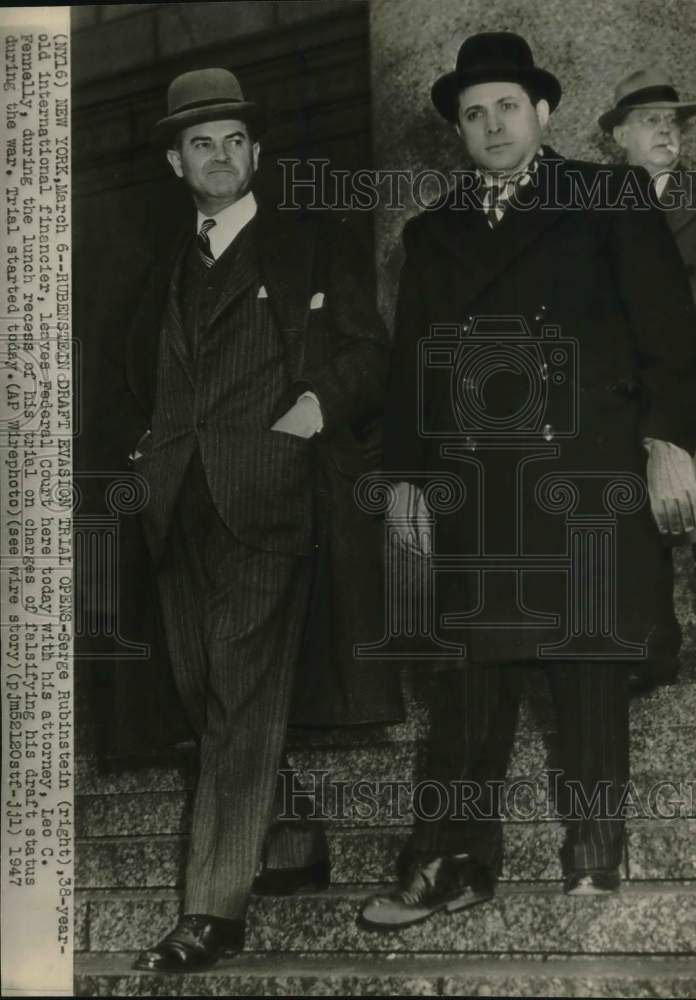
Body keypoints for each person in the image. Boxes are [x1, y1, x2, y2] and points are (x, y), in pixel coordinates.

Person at [361, 32, 696, 930]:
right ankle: (456, 861)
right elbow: (412, 372)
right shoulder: (431, 234)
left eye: (506, 105)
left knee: (587, 664)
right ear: (459, 131)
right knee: (473, 676)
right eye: (472, 113)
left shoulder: (607, 195)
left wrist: (667, 443)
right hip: (478, 483)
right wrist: (405, 483)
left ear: (543, 112)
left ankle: (594, 850)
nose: (491, 123)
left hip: (586, 467)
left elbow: (669, 335)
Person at [125, 68, 391, 970]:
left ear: (256, 152)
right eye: (202, 142)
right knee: (210, 697)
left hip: (270, 498)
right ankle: (291, 842)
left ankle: (213, 909)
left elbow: (366, 353)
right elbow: (141, 376)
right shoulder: (161, 265)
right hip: (178, 505)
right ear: (175, 161)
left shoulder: (310, 243)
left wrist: (304, 414)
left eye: (235, 140)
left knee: (237, 697)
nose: (221, 155)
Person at [601, 67, 696, 677]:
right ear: (618, 135)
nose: (666, 132)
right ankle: (654, 659)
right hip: (640, 393)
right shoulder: (595, 210)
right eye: (650, 121)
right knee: (642, 531)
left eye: (672, 122)